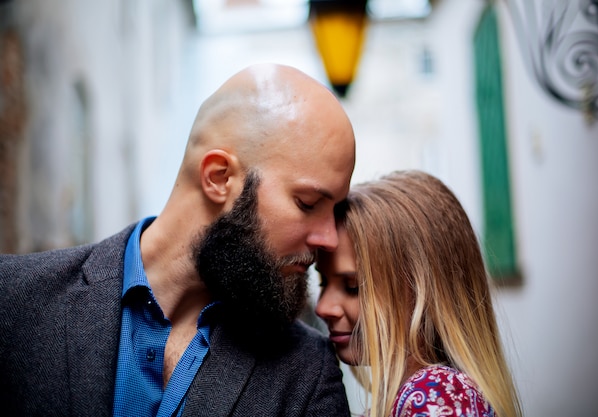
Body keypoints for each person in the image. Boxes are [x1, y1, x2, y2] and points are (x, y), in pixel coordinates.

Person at [0, 63, 356, 416]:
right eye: (308, 203)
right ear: (218, 178)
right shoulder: (13, 300)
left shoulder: (308, 373)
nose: (328, 238)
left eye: (334, 211)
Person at [315, 170, 523, 417]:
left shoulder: (437, 394)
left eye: (353, 287)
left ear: (421, 291)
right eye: (323, 283)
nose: (323, 307)